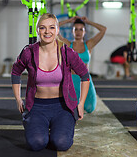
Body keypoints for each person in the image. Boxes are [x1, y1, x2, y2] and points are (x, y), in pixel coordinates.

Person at [11, 13, 90, 151]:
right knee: (37, 143)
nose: (47, 31)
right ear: (37, 30)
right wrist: (18, 99)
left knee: (61, 143)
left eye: (51, 27)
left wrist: (81, 103)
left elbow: (85, 75)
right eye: (42, 28)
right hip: (37, 107)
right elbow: (15, 72)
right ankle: (36, 126)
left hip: (62, 107)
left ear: (57, 30)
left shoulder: (67, 53)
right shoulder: (28, 52)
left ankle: (59, 128)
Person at [58, 16, 106, 113]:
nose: (78, 32)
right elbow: (55, 27)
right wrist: (69, 20)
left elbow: (103, 29)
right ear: (72, 31)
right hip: (71, 80)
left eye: (81, 29)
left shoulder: (89, 45)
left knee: (90, 108)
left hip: (86, 80)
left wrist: (88, 22)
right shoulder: (67, 44)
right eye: (76, 29)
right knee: (70, 109)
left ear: (85, 32)